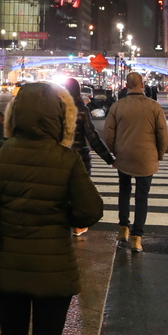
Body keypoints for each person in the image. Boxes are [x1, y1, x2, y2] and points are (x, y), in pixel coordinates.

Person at [0, 81, 103, 335]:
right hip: (54, 271)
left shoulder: (0, 152)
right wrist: (63, 215)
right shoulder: (66, 159)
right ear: (60, 118)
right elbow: (91, 210)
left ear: (16, 115)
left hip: (9, 266)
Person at [103, 70, 168, 253]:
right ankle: (136, 237)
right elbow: (162, 134)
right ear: (142, 85)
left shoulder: (117, 106)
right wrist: (159, 154)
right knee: (142, 196)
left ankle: (123, 228)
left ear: (126, 86)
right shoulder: (154, 106)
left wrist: (115, 151)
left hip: (124, 155)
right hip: (146, 156)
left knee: (124, 191)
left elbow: (108, 134)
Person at [63, 76, 116, 236]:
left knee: (61, 191)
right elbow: (92, 136)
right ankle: (78, 226)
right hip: (80, 158)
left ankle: (61, 224)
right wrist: (108, 158)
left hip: (60, 156)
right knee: (79, 193)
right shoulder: (82, 109)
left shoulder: (57, 108)